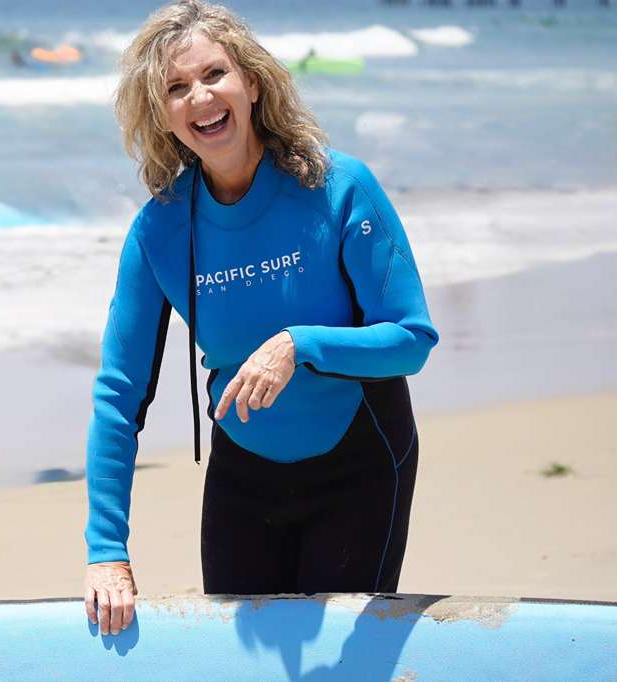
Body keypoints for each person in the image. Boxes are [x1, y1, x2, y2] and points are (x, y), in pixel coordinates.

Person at [83, 0, 438, 636]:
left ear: (251, 81)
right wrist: (107, 551)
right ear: (160, 114)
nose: (200, 98)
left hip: (359, 461)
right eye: (176, 88)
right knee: (243, 667)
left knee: (339, 669)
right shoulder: (160, 229)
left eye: (214, 74)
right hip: (243, 479)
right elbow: (119, 396)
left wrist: (298, 345)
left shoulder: (336, 187)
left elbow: (410, 339)